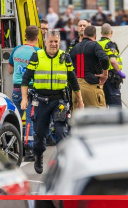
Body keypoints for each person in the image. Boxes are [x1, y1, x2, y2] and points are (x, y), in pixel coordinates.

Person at [21, 29, 83, 175]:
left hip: (59, 101)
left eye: (56, 41)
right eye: (51, 41)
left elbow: (73, 80)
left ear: (59, 41)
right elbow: (25, 79)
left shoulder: (65, 57)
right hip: (41, 101)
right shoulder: (37, 56)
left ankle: (62, 162)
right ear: (45, 41)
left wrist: (80, 100)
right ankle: (38, 156)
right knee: (40, 134)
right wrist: (24, 98)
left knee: (61, 132)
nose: (54, 44)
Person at [8, 25, 40, 155]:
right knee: (30, 120)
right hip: (31, 89)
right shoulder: (38, 52)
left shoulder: (16, 50)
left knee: (15, 117)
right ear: (37, 38)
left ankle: (10, 143)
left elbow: (10, 70)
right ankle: (29, 149)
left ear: (25, 36)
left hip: (17, 88)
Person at [68, 25, 109, 108]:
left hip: (76, 89)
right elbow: (104, 59)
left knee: (77, 115)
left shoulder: (74, 48)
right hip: (91, 86)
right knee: (97, 115)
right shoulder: (94, 45)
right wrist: (105, 74)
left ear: (83, 35)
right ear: (95, 36)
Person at [98, 24, 126, 107]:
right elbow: (113, 61)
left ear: (101, 32)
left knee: (102, 105)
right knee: (115, 108)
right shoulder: (110, 44)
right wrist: (120, 72)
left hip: (100, 78)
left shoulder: (96, 44)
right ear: (111, 32)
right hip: (111, 79)